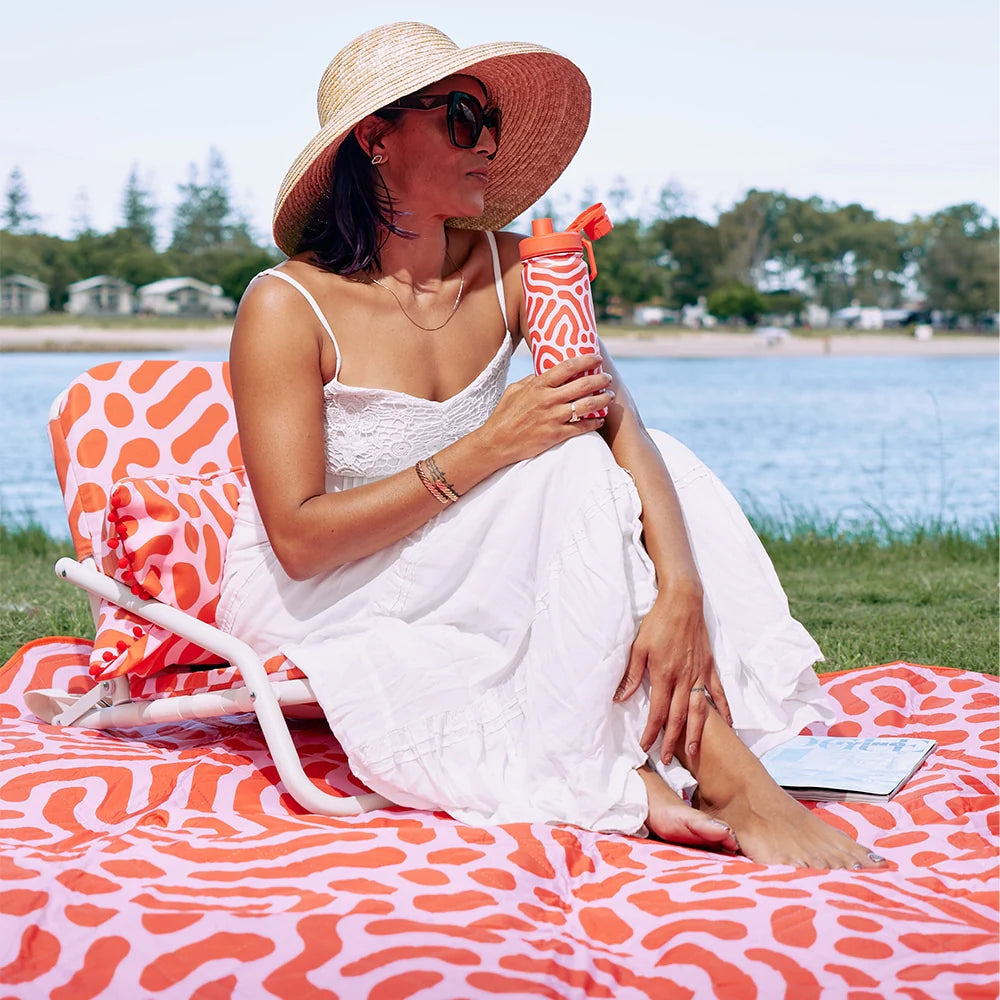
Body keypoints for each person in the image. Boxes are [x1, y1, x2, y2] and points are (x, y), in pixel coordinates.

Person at [219, 21, 887, 870]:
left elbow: (620, 425)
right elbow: (299, 541)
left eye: (492, 121)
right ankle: (725, 780)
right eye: (463, 117)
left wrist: (680, 592)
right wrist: (491, 444)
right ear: (376, 138)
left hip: (456, 556)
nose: (488, 142)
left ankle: (653, 759)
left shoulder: (517, 270)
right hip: (319, 590)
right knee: (562, 463)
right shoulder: (286, 306)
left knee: (650, 458)